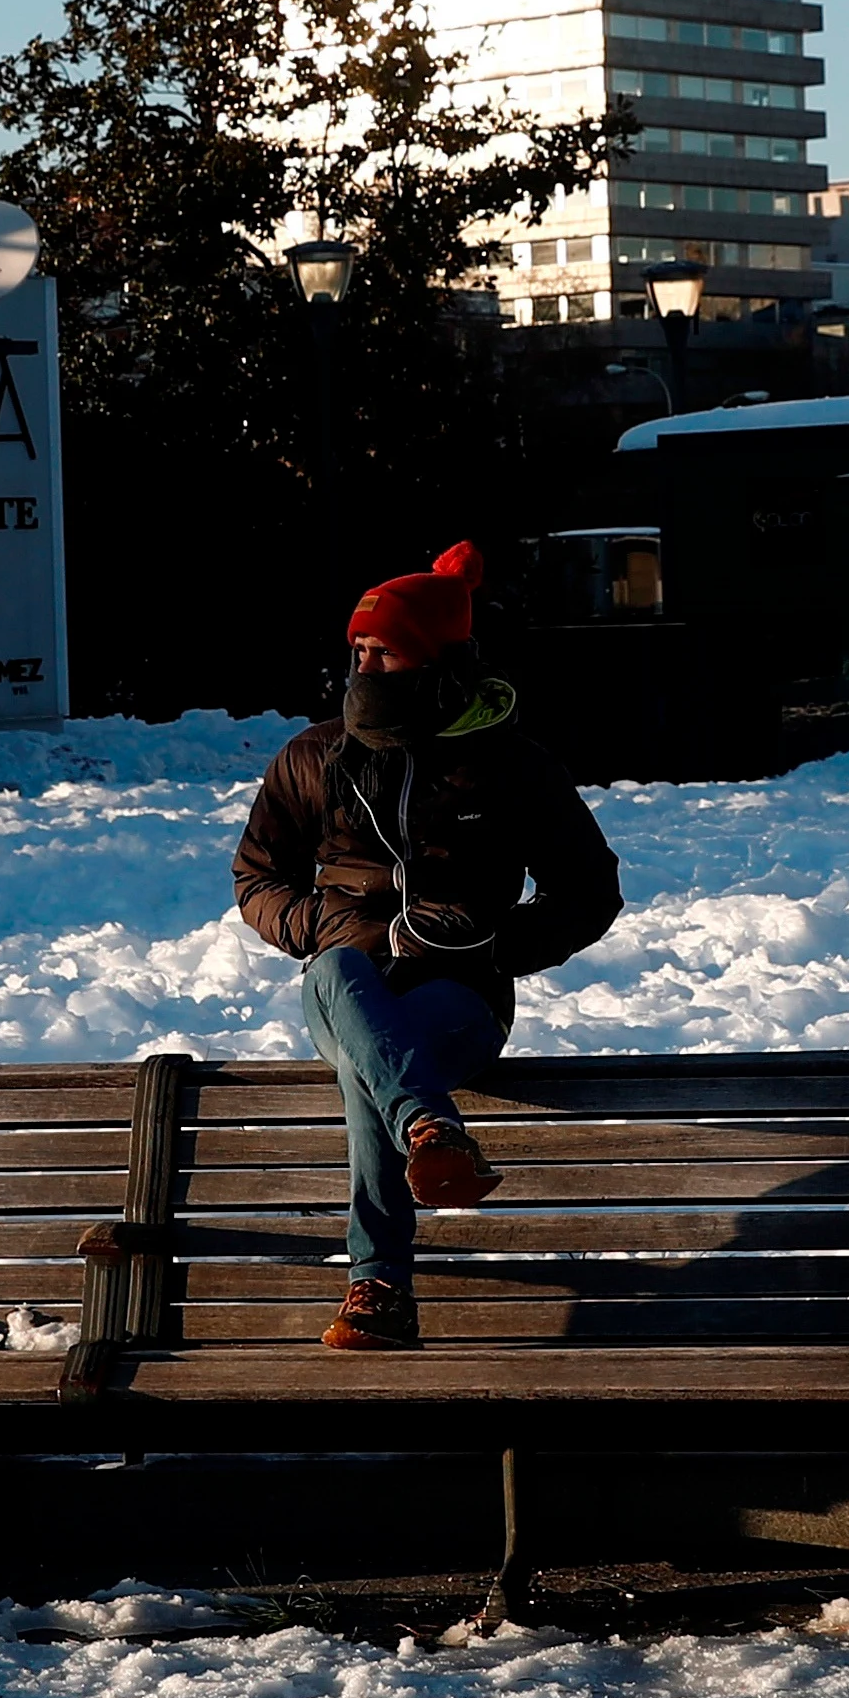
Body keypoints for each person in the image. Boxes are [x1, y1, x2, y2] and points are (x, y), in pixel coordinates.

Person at [228, 541, 624, 1351]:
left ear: (439, 661)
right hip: (342, 987)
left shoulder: (511, 765)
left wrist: (497, 943)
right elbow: (258, 878)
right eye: (360, 651)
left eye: (387, 652)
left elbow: (588, 891)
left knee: (372, 1065)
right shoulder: (314, 756)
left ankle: (381, 1286)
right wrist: (319, 928)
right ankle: (429, 1133)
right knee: (342, 974)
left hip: (462, 1000)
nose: (367, 665)